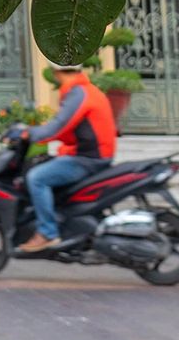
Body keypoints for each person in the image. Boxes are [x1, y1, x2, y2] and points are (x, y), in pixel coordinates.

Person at [11, 62, 117, 256]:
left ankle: (47, 232)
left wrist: (29, 133)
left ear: (56, 72)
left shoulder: (79, 93)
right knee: (48, 164)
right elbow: (67, 128)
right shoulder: (84, 90)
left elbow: (59, 125)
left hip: (89, 159)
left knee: (37, 177)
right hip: (87, 154)